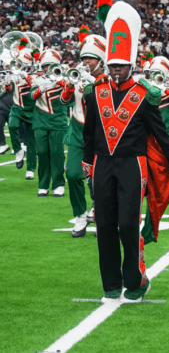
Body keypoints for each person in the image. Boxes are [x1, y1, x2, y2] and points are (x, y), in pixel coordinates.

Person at [82, 2, 169, 303]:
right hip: (102, 164)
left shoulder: (144, 95)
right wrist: (87, 162)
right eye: (112, 65)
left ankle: (136, 281)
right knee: (104, 225)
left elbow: (160, 134)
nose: (116, 70)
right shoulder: (95, 92)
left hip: (133, 165)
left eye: (121, 65)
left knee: (128, 225)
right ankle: (111, 285)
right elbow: (89, 132)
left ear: (131, 65)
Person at [60, 32, 108, 237]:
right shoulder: (78, 76)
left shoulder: (108, 79)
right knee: (72, 174)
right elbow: (64, 101)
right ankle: (80, 215)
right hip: (78, 131)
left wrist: (93, 82)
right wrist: (70, 84)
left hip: (101, 134)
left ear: (101, 61)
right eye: (84, 58)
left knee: (100, 179)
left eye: (91, 58)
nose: (86, 62)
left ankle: (100, 214)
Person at [31, 50, 68, 197]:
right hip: (40, 121)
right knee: (42, 152)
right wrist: (41, 88)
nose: (48, 68)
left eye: (51, 65)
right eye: (46, 65)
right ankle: (43, 185)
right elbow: (32, 96)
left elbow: (69, 94)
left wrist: (58, 81)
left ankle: (58, 183)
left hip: (58, 121)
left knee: (57, 153)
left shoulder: (64, 79)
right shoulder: (37, 80)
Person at [8, 43, 38, 178]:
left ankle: (30, 169)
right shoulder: (15, 73)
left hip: (32, 110)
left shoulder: (36, 74)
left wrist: (26, 75)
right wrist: (7, 82)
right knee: (12, 125)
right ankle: (18, 150)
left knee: (32, 141)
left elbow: (35, 86)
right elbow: (9, 89)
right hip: (17, 107)